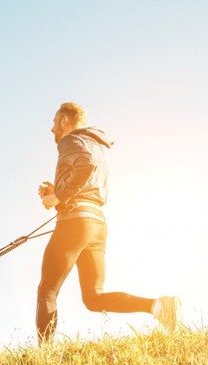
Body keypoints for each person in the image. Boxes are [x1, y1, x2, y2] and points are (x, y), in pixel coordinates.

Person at [36, 102, 181, 345]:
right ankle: (159, 306)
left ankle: (44, 356)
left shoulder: (70, 141)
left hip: (76, 222)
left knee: (47, 291)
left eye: (54, 122)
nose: (52, 129)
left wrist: (59, 196)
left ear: (64, 120)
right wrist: (57, 192)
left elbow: (87, 165)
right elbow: (89, 177)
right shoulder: (92, 144)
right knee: (93, 298)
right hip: (96, 224)